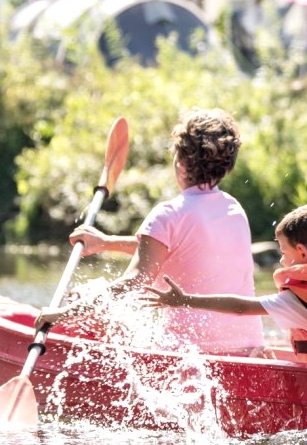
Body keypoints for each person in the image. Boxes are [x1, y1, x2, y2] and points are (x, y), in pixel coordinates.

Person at [35, 109, 264, 356]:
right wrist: (106, 242)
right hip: (248, 347)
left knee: (83, 293)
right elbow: (177, 249)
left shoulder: (168, 214)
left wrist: (64, 313)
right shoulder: (233, 209)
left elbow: (136, 279)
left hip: (189, 352)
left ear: (180, 161)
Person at [141, 203, 307, 368]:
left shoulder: (299, 301)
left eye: (283, 252)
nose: (282, 260)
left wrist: (186, 300)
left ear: (302, 253)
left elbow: (241, 307)